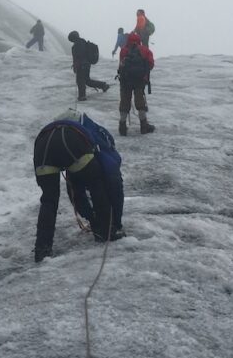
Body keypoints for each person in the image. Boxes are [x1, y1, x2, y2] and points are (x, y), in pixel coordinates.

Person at [32, 109, 125, 261]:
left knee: (49, 200)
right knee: (96, 185)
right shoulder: (93, 133)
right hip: (72, 140)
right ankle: (105, 231)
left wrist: (88, 215)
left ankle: (42, 249)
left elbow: (74, 193)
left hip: (43, 144)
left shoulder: (54, 126)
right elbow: (111, 182)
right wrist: (114, 222)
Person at [117, 32, 156, 135]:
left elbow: (121, 65)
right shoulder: (145, 50)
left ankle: (122, 126)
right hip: (139, 80)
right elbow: (151, 64)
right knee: (140, 101)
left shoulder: (124, 50)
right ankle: (144, 126)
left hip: (126, 80)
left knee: (125, 101)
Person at [67, 30, 109, 101]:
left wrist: (76, 65)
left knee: (80, 81)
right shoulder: (83, 42)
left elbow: (79, 56)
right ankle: (103, 85)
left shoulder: (77, 45)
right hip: (86, 64)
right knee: (87, 80)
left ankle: (82, 96)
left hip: (82, 65)